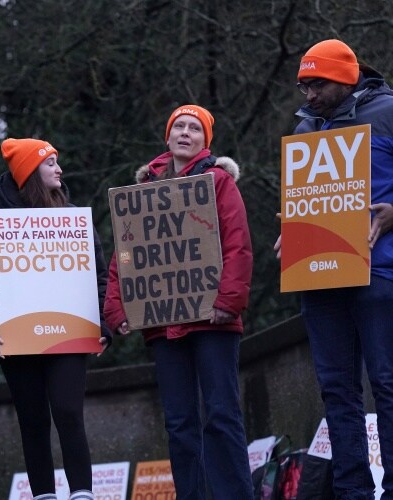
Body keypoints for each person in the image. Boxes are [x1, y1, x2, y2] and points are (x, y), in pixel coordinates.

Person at [104, 104, 254, 499]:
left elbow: (238, 244)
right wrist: (117, 309)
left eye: (194, 128)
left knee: (221, 415)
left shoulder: (219, 182)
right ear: (167, 137)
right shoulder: (141, 193)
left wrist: (228, 300)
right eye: (179, 127)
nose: (185, 133)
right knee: (178, 423)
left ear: (206, 141)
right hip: (161, 324)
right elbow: (125, 252)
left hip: (213, 320)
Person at [274, 39, 393, 499]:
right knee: (337, 393)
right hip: (320, 278)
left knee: (386, 384)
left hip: (379, 271)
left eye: (317, 83)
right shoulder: (304, 131)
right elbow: (306, 202)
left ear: (345, 77)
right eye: (303, 85)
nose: (308, 94)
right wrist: (293, 227)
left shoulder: (387, 113)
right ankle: (352, 491)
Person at [0, 138, 112, 500]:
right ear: (30, 172)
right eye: (51, 163)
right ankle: (43, 496)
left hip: (68, 333)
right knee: (33, 420)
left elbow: (99, 279)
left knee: (69, 412)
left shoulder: (75, 223)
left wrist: (102, 324)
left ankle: (82, 493)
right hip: (17, 339)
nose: (59, 169)